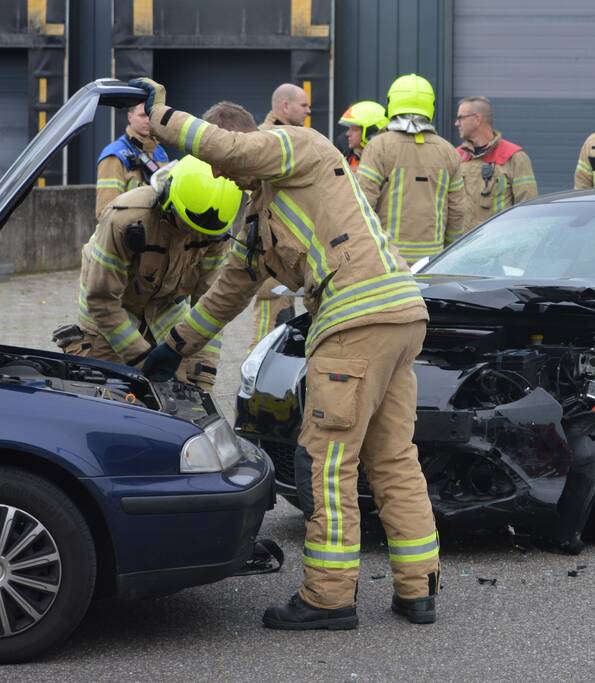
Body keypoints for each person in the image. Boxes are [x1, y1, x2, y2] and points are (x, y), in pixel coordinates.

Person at [130, 78, 441, 630]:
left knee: (326, 464)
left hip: (355, 319)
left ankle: (328, 598)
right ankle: (419, 590)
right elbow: (230, 289)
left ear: (239, 137)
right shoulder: (261, 214)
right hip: (399, 315)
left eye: (221, 163)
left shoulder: (293, 144)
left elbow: (228, 150)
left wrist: (159, 116)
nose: (221, 175)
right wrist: (173, 348)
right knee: (393, 457)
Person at [61, 155, 240, 391]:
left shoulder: (216, 231)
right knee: (109, 391)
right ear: (167, 203)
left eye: (201, 234)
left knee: (185, 390)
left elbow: (209, 306)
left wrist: (202, 371)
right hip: (110, 308)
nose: (191, 236)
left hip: (166, 308)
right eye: (185, 226)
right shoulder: (125, 219)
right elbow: (102, 300)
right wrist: (141, 358)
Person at [356, 74, 466, 264]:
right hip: (432, 261)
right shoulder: (448, 151)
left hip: (388, 260)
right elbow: (458, 212)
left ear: (392, 102)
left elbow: (362, 204)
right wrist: (447, 255)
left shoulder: (379, 146)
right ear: (430, 105)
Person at [249, 84, 311, 348]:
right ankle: (252, 382)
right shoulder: (265, 140)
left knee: (286, 324)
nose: (309, 111)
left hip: (291, 249)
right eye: (304, 105)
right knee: (267, 328)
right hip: (271, 246)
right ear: (285, 106)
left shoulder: (294, 137)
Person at [454, 96, 537, 230]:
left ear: (477, 119)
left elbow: (528, 209)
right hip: (464, 247)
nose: (456, 123)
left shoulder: (514, 157)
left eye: (460, 118)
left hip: (499, 245)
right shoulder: (455, 157)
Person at [95, 102, 169, 219]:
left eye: (151, 116)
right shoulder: (114, 155)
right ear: (130, 117)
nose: (148, 121)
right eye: (142, 115)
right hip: (130, 231)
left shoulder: (160, 152)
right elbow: (105, 212)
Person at [338, 100, 388, 171]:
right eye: (349, 129)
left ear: (371, 132)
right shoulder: (345, 160)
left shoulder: (387, 161)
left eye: (354, 129)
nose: (347, 134)